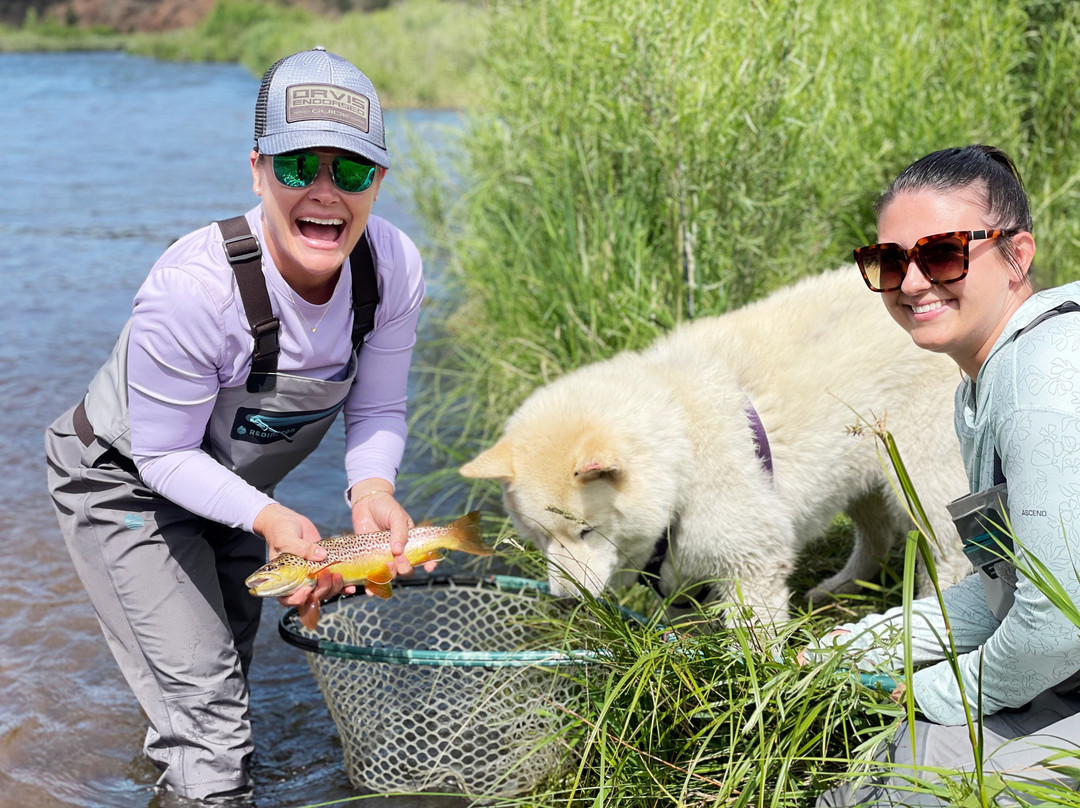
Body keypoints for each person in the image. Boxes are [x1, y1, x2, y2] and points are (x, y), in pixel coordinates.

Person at [45, 47, 426, 802]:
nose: (325, 194)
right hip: (125, 482)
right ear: (257, 169)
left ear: (377, 182)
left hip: (240, 491)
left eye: (349, 172)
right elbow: (161, 452)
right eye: (298, 168)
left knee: (221, 694)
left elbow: (377, 408)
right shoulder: (193, 292)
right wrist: (272, 515)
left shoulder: (391, 271)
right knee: (214, 729)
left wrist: (370, 488)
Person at [802, 144, 1080, 806]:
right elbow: (1001, 591)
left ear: (1018, 254)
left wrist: (929, 688)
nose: (913, 282)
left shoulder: (1041, 380)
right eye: (889, 261)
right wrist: (866, 644)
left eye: (943, 253)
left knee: (899, 785)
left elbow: (1055, 629)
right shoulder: (979, 386)